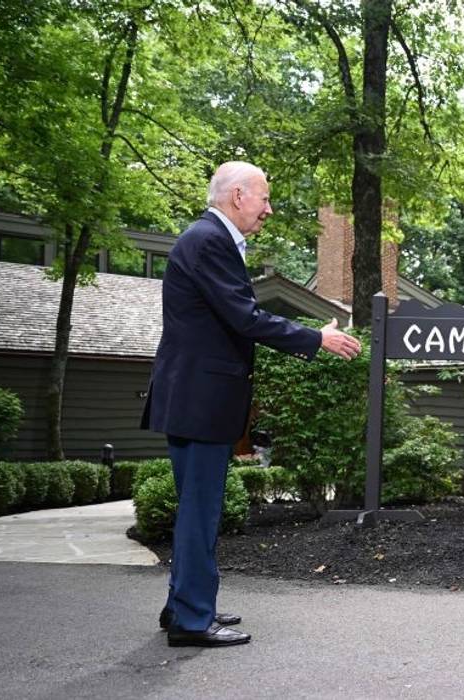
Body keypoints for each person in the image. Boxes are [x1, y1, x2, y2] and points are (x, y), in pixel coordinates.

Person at [141, 161, 362, 646]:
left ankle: (184, 605)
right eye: (263, 198)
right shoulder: (208, 241)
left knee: (196, 509)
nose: (269, 209)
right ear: (238, 196)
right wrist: (314, 339)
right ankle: (193, 620)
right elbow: (244, 316)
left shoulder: (206, 239)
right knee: (201, 512)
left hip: (196, 398)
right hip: (200, 401)